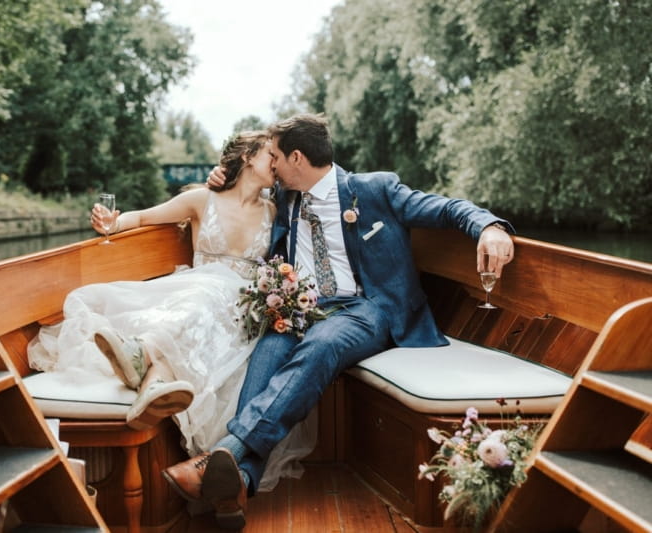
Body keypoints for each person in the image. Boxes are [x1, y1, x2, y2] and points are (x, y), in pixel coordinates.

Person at [161, 113, 515, 530]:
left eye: (275, 156)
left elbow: (445, 208)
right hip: (301, 306)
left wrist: (489, 226)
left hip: (366, 308)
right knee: (267, 351)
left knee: (323, 344)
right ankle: (238, 479)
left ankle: (229, 450)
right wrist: (222, 174)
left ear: (296, 157)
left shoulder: (374, 188)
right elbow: (238, 187)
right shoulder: (284, 199)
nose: (270, 164)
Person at [27, 130, 315, 494]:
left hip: (239, 311)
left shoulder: (276, 211)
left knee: (212, 296)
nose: (276, 163)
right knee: (202, 296)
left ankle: (142, 355)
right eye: (270, 156)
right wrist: (112, 223)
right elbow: (144, 218)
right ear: (247, 156)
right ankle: (152, 378)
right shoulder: (201, 199)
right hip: (196, 297)